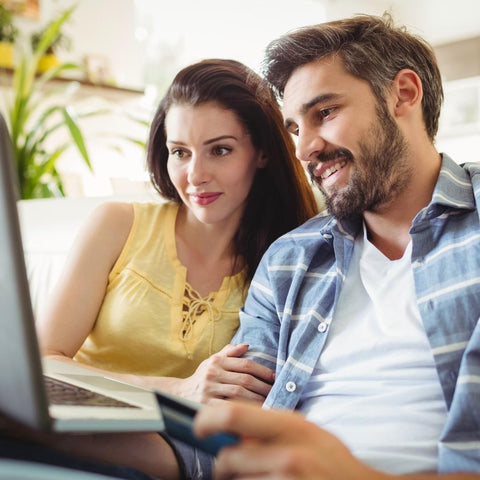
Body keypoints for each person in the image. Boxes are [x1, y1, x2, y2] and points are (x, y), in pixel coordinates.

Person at [188, 12, 480, 480]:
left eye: (324, 113)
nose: (304, 149)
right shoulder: (291, 259)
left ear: (403, 93)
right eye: (295, 128)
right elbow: (225, 444)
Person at [0, 58, 318, 479]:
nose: (195, 175)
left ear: (261, 152)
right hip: (80, 421)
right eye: (179, 153)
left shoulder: (286, 262)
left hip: (173, 450)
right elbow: (44, 358)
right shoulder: (118, 224)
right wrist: (177, 390)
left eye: (220, 150)